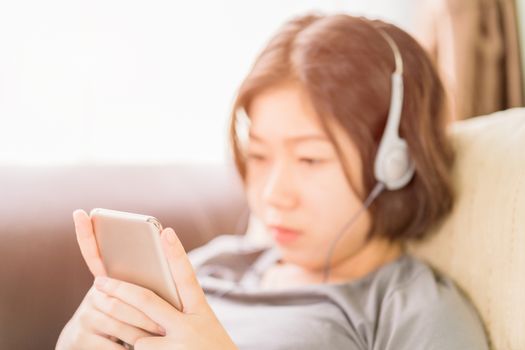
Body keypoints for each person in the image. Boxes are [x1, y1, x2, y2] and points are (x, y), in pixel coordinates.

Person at [56, 13, 489, 349]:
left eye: (310, 159)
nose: (271, 194)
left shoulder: (409, 310)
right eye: (259, 155)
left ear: (395, 163)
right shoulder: (216, 266)